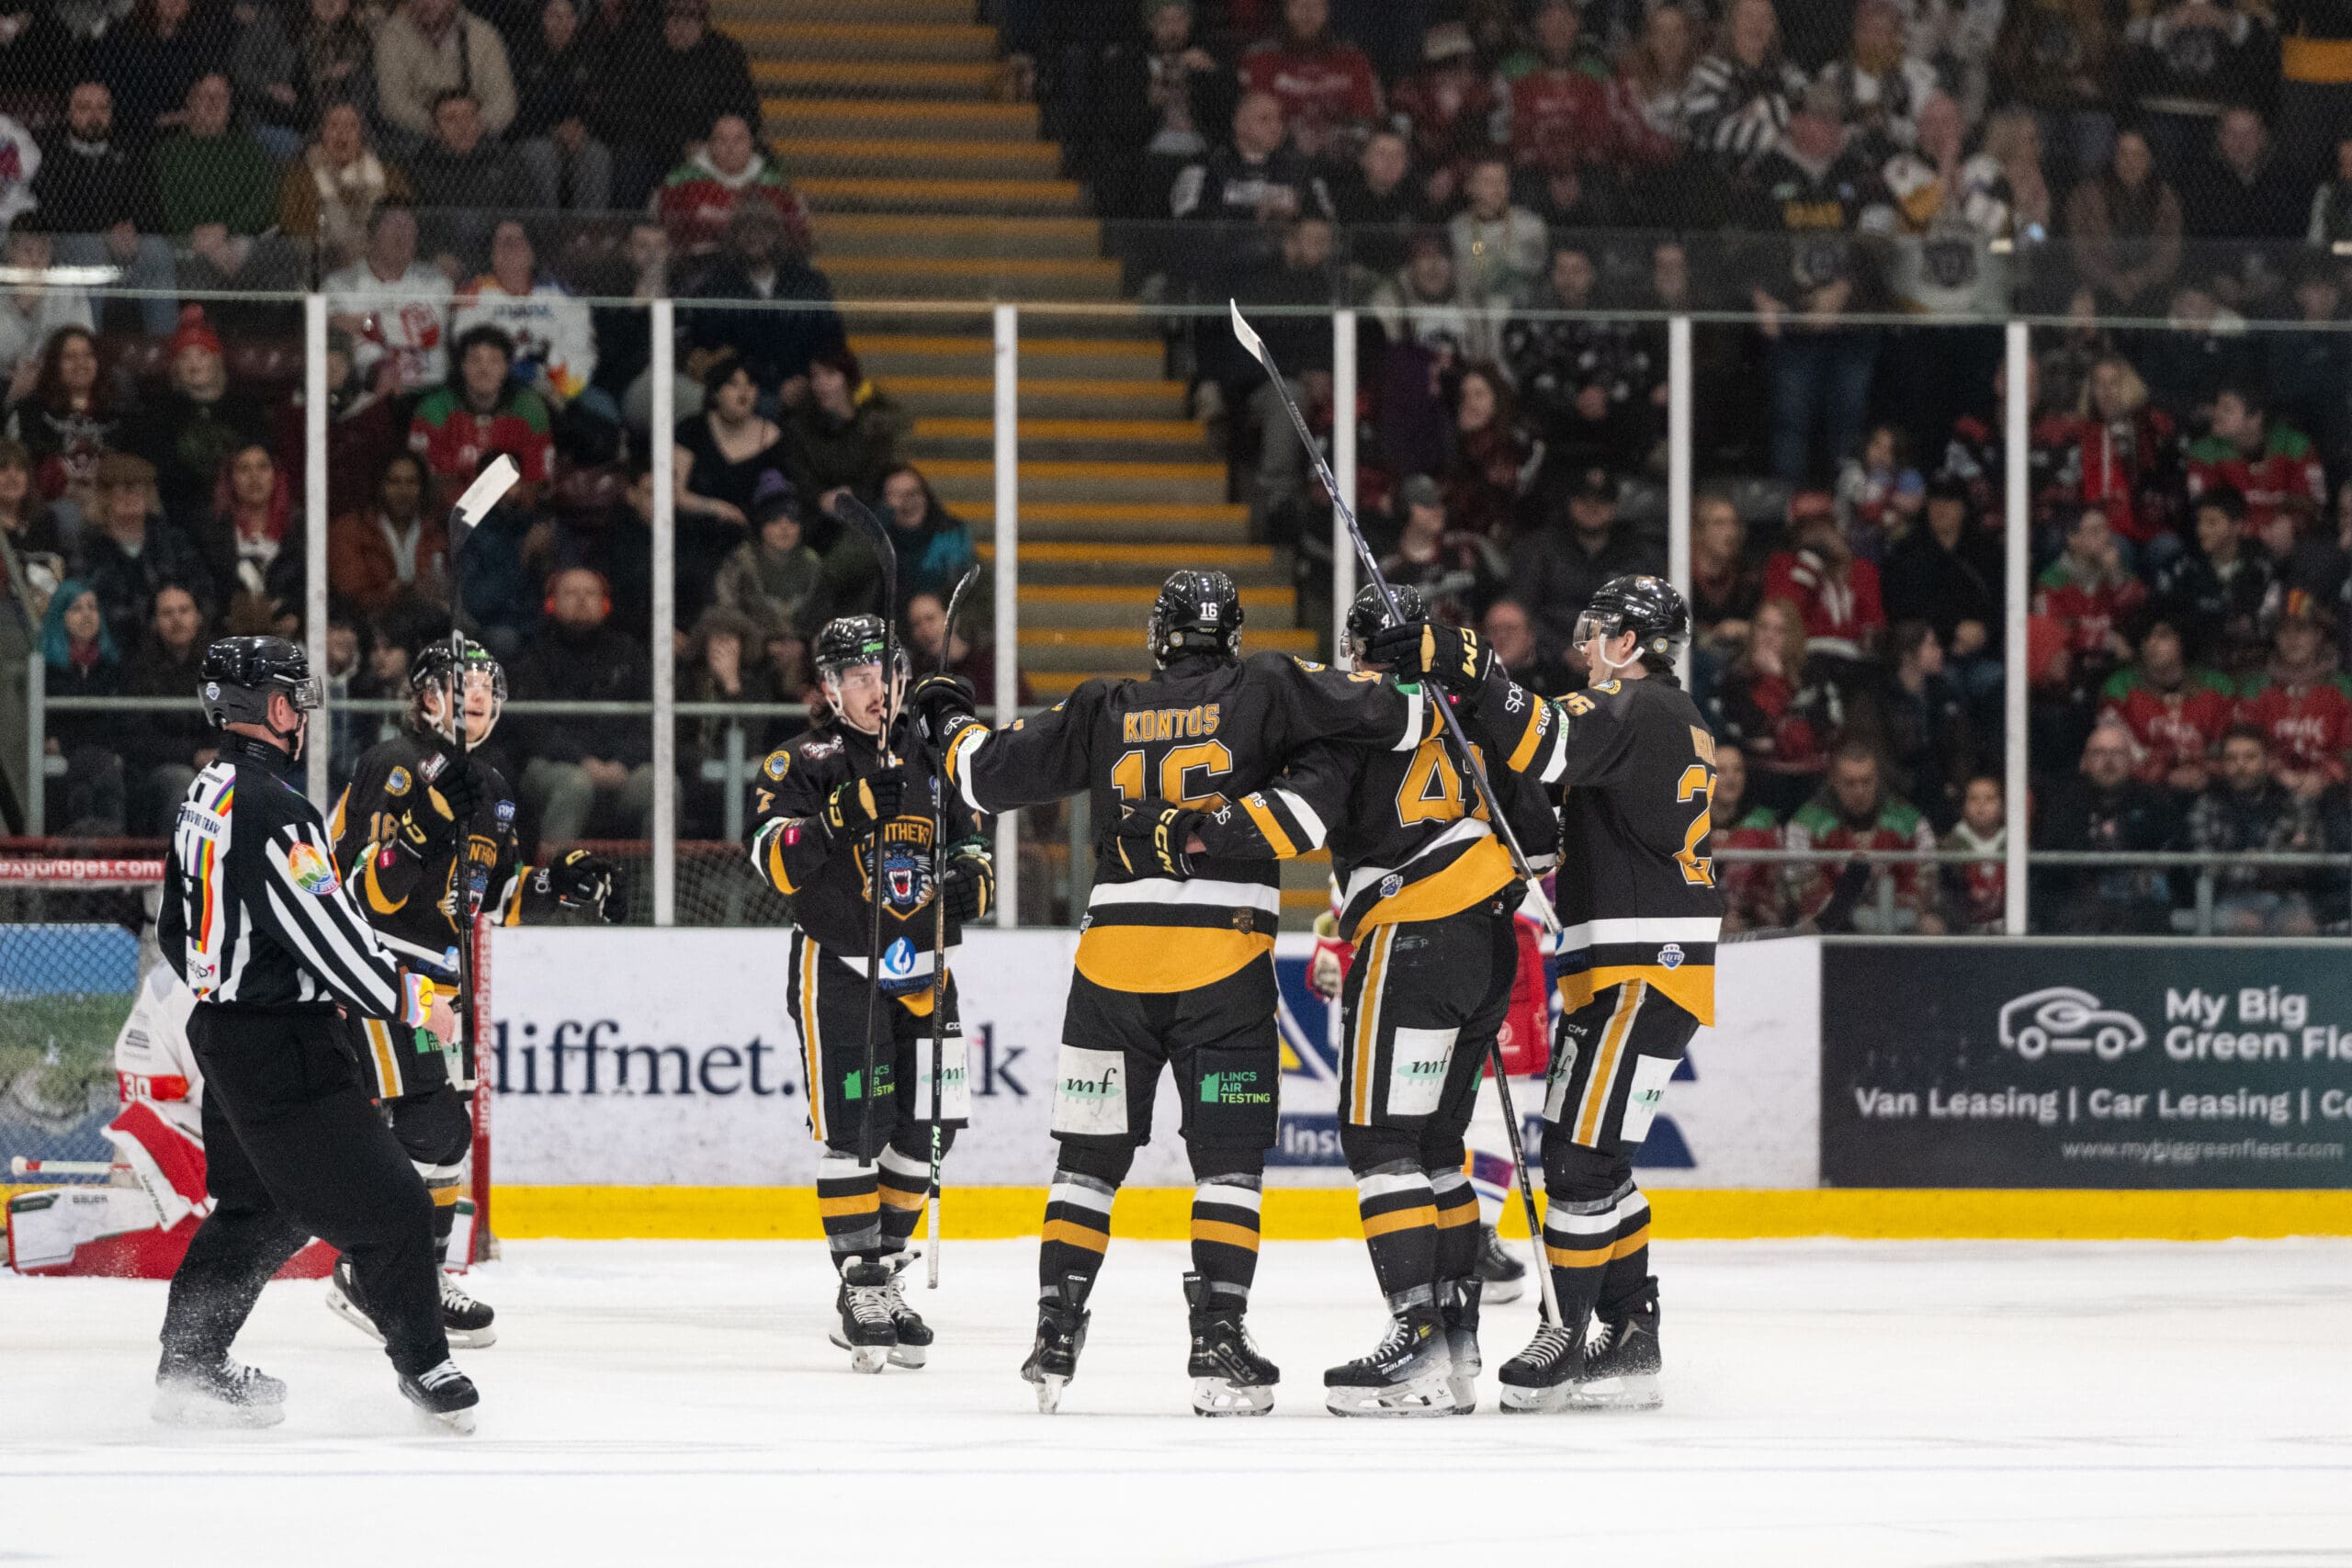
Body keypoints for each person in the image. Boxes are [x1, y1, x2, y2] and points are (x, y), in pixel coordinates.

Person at [914, 570, 1421, 1416]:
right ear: (1231, 634)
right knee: (1227, 1164)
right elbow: (1385, 714)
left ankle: (1055, 1329)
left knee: (1087, 1162)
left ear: (1161, 634)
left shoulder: (1105, 704)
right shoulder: (1267, 685)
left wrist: (944, 716)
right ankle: (1218, 1340)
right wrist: (1411, 667)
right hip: (1219, 964)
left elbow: (985, 777)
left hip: (1110, 967)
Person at [1173, 582, 1557, 1416]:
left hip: (1410, 935)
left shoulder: (1354, 720)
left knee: (1380, 1138)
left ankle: (1414, 1334)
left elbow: (1300, 818)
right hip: (1490, 943)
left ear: (1357, 653)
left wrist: (1207, 831)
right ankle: (1456, 1347)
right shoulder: (1471, 717)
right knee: (1439, 1146)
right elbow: (1542, 839)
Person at [1368, 574, 1720, 1414]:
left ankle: (1565, 1326)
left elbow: (1544, 737)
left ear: (1632, 643)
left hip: (1641, 971)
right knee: (1601, 1159)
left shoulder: (1639, 710)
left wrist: (1460, 657)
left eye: (1598, 631)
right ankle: (1633, 1334)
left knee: (1577, 1162)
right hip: (1636, 970)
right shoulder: (1667, 720)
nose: (1584, 645)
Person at [152, 636, 474, 1430]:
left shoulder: (208, 790)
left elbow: (175, 927)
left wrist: (229, 991)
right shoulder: (277, 809)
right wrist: (412, 999)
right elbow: (328, 941)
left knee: (259, 1205)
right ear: (258, 705)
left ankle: (189, 1364)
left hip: (224, 1035)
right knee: (396, 1201)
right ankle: (426, 1366)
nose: (301, 712)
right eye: (291, 696)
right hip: (281, 1045)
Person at [325, 637, 619, 1349]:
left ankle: (408, 1275)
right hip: (380, 969)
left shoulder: (492, 786)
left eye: (489, 682)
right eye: (461, 681)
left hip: (442, 982)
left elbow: (491, 898)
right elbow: (361, 890)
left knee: (442, 1135)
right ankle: (377, 1274)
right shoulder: (391, 766)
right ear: (426, 696)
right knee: (432, 1125)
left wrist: (556, 884)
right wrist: (424, 822)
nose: (478, 692)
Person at [747, 615, 992, 1372]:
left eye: (884, 672)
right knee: (858, 1122)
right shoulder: (802, 761)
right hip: (840, 964)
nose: (875, 688)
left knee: (930, 1124)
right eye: (855, 677)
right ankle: (860, 1282)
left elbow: (975, 855)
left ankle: (885, 1273)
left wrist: (968, 881)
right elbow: (773, 865)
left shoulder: (933, 756)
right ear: (828, 688)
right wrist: (844, 813)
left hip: (926, 966)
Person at [509, 566, 654, 846]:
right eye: (571, 593)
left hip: (620, 770)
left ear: (605, 604)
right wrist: (582, 761)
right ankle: (553, 884)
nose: (582, 600)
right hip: (555, 767)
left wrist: (622, 763)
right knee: (574, 783)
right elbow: (533, 729)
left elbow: (648, 722)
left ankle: (649, 889)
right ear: (551, 603)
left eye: (590, 593)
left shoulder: (629, 655)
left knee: (661, 787)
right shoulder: (534, 658)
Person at [2031, 716, 2179, 934]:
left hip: (2140, 910)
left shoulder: (2154, 801)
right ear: (2084, 762)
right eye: (2099, 753)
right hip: (2078, 907)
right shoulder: (2063, 803)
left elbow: (2169, 847)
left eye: (2117, 753)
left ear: (2131, 762)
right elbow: (2054, 863)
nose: (2108, 761)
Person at [1783, 741, 1944, 934]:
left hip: (1896, 922)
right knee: (1806, 927)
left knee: (1932, 926)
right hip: (1832, 923)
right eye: (1850, 783)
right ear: (1833, 780)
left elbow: (1925, 882)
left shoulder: (1910, 821)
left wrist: (1902, 905)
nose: (1859, 792)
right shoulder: (1805, 824)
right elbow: (1804, 889)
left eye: (1866, 781)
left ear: (1877, 779)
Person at [2187, 726, 2325, 934]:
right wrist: (2270, 862)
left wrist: (2257, 860)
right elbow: (2202, 865)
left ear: (2267, 761)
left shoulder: (2294, 804)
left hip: (2285, 899)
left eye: (2250, 757)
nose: (2240, 765)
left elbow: (2312, 860)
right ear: (2222, 764)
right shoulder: (2206, 806)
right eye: (2231, 758)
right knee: (2245, 925)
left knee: (2301, 926)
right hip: (2227, 899)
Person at [449, 220, 600, 410]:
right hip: (500, 393)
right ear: (492, 256)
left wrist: (561, 390)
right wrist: (526, 379)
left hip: (562, 393)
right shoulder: (476, 294)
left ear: (532, 253)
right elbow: (469, 349)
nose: (509, 249)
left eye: (516, 242)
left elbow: (580, 349)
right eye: (502, 243)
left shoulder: (559, 294)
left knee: (601, 410)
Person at [76, 453, 214, 655]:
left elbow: (204, 594)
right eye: (121, 489)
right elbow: (87, 607)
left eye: (139, 488)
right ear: (103, 497)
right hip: (112, 653)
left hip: (178, 652)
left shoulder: (173, 541)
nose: (131, 496)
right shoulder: (90, 548)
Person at [407, 324, 556, 506]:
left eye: (494, 361)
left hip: (510, 516)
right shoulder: (434, 408)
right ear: (462, 366)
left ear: (506, 368)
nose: (484, 370)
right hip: (449, 518)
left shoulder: (529, 409)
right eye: (475, 360)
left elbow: (537, 480)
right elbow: (427, 481)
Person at [325, 204, 457, 394]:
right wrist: (397, 325)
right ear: (372, 235)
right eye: (392, 225)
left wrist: (369, 323)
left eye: (408, 227)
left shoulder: (435, 281)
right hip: (366, 391)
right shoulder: (340, 283)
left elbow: (429, 333)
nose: (402, 234)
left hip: (433, 390)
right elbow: (338, 334)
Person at [2099, 617, 2234, 798]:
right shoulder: (2119, 687)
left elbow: (2231, 746)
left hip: (2211, 789)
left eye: (2163, 636)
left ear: (2183, 640)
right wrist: (2165, 775)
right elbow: (2117, 750)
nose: (2152, 643)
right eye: (2146, 637)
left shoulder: (2218, 686)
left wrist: (2205, 772)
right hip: (2142, 794)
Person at [277, 100, 416, 268]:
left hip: (382, 254)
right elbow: (291, 224)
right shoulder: (300, 176)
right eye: (333, 125)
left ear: (362, 134)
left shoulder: (388, 175)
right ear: (321, 133)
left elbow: (404, 216)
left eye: (351, 126)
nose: (341, 134)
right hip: (321, 258)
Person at [652, 110, 810, 259]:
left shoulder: (774, 184)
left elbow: (795, 232)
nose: (730, 148)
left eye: (739, 140)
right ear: (710, 145)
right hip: (700, 265)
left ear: (751, 144)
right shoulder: (682, 182)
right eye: (721, 140)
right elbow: (668, 228)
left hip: (764, 263)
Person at [373, 0, 516, 153]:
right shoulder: (391, 36)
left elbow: (504, 101)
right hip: (417, 138)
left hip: (479, 136)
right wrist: (438, 128)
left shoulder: (483, 35)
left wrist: (472, 126)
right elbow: (393, 103)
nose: (428, 4)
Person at [509, 0, 611, 212]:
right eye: (554, 16)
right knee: (541, 156)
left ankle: (588, 232)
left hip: (579, 135)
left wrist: (583, 128)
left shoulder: (591, 54)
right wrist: (552, 130)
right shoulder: (522, 53)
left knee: (598, 157)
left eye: (567, 17)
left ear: (575, 21)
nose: (561, 23)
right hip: (535, 135)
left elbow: (600, 105)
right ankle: (548, 231)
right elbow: (516, 109)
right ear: (543, 19)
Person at [713, 468, 828, 643]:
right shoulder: (741, 562)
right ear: (760, 525)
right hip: (752, 651)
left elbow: (820, 617)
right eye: (774, 519)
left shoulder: (812, 564)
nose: (785, 527)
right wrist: (763, 643)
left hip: (802, 652)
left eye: (792, 519)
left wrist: (800, 644)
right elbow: (726, 611)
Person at [329, 449, 447, 615]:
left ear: (423, 488)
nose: (403, 491)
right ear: (380, 485)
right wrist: (400, 592)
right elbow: (352, 595)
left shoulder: (437, 531)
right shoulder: (351, 530)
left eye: (411, 482)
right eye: (394, 482)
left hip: (431, 624)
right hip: (371, 625)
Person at [1711, 743, 1787, 933]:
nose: (1731, 779)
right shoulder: (1687, 825)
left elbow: (1776, 888)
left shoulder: (1763, 824)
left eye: (1738, 770)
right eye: (1721, 770)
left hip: (1756, 930)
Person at [1940, 773, 2007, 934]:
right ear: (1964, 805)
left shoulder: (2013, 843)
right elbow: (1949, 893)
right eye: (1973, 799)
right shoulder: (1953, 844)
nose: (1981, 806)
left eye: (1989, 799)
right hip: (1963, 926)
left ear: (2003, 806)